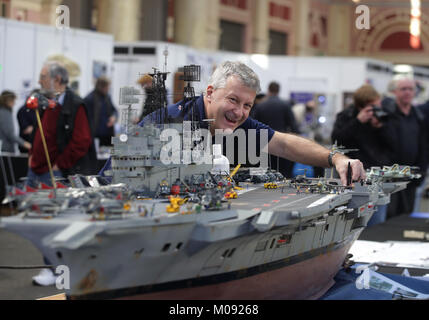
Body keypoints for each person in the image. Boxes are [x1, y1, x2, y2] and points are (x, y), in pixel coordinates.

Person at [101, 61, 365, 187]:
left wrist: (336, 159)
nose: (239, 112)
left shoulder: (238, 123)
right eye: (233, 100)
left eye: (247, 105)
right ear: (209, 93)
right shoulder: (165, 122)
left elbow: (284, 144)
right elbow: (112, 177)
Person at [29, 62, 95, 286]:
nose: (39, 81)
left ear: (57, 80)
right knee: (41, 222)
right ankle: (52, 267)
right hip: (38, 170)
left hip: (55, 173)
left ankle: (55, 270)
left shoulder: (75, 104)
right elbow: (43, 133)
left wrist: (59, 165)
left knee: (55, 223)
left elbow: (81, 141)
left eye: (43, 76)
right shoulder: (48, 103)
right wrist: (33, 157)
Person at [331, 84, 396, 226]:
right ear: (361, 106)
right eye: (373, 107)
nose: (376, 110)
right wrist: (358, 122)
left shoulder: (383, 117)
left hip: (377, 174)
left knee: (377, 221)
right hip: (353, 174)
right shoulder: (346, 116)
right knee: (351, 220)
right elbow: (337, 140)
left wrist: (380, 128)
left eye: (378, 105)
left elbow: (394, 143)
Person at [384, 77, 428, 218]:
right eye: (403, 89)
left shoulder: (419, 116)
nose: (407, 92)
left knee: (406, 216)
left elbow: (423, 146)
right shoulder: (387, 115)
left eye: (410, 89)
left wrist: (422, 171)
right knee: (389, 217)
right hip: (390, 177)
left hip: (412, 175)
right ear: (395, 92)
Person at [252, 82, 299, 177]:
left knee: (264, 175)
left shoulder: (260, 106)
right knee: (284, 174)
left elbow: (253, 127)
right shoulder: (285, 105)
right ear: (278, 90)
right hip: (281, 144)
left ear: (268, 90)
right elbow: (294, 127)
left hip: (264, 145)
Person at [84, 77, 118, 147]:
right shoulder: (89, 99)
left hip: (108, 135)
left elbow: (114, 110)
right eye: (107, 87)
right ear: (101, 87)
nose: (108, 89)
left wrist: (114, 117)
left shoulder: (107, 97)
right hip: (94, 136)